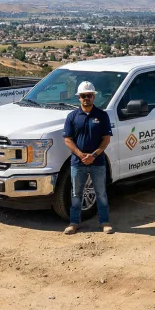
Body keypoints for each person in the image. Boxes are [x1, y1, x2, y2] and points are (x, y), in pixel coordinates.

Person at [62, 81, 113, 235]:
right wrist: (80, 154)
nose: (86, 98)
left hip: (97, 161)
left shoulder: (102, 116)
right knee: (76, 194)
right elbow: (67, 139)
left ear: (93, 97)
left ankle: (104, 222)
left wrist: (94, 154)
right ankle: (74, 223)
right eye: (83, 96)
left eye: (89, 95)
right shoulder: (72, 117)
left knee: (101, 193)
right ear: (79, 98)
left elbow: (106, 139)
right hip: (78, 162)